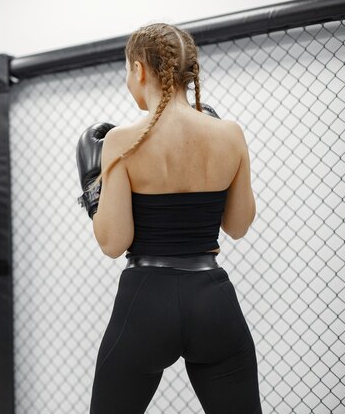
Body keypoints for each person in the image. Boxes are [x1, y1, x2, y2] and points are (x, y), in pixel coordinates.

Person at [77, 23, 261, 414]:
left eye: (127, 70)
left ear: (140, 70)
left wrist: (94, 195)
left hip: (146, 301)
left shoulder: (123, 140)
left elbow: (113, 243)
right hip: (213, 301)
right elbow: (238, 225)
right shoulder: (230, 134)